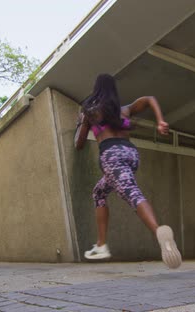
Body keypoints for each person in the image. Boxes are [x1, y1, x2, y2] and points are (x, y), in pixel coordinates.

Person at [74, 74, 182, 269]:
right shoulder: (124, 110)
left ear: (96, 89)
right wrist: (160, 121)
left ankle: (160, 232)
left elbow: (79, 144)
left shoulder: (91, 113)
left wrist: (82, 122)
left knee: (132, 193)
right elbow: (149, 99)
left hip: (111, 156)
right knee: (99, 192)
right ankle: (101, 245)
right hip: (130, 154)